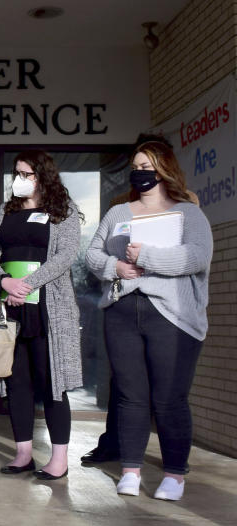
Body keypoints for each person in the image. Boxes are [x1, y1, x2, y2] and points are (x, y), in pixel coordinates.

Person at [85, 141, 212, 500]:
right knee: (130, 396)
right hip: (122, 312)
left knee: (170, 398)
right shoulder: (118, 213)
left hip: (171, 316)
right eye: (136, 165)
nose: (140, 172)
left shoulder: (189, 214)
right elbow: (93, 254)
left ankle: (174, 474)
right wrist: (116, 266)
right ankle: (130, 470)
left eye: (147, 166)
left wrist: (149, 257)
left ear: (164, 170)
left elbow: (197, 257)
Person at [0, 150, 83, 480]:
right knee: (17, 381)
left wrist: (27, 284)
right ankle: (23, 453)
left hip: (47, 307)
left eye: (26, 174)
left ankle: (59, 459)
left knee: (52, 381)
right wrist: (4, 282)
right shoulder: (5, 210)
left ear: (42, 176)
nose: (19, 180)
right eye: (17, 173)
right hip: (9, 305)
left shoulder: (62, 211)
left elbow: (67, 255)